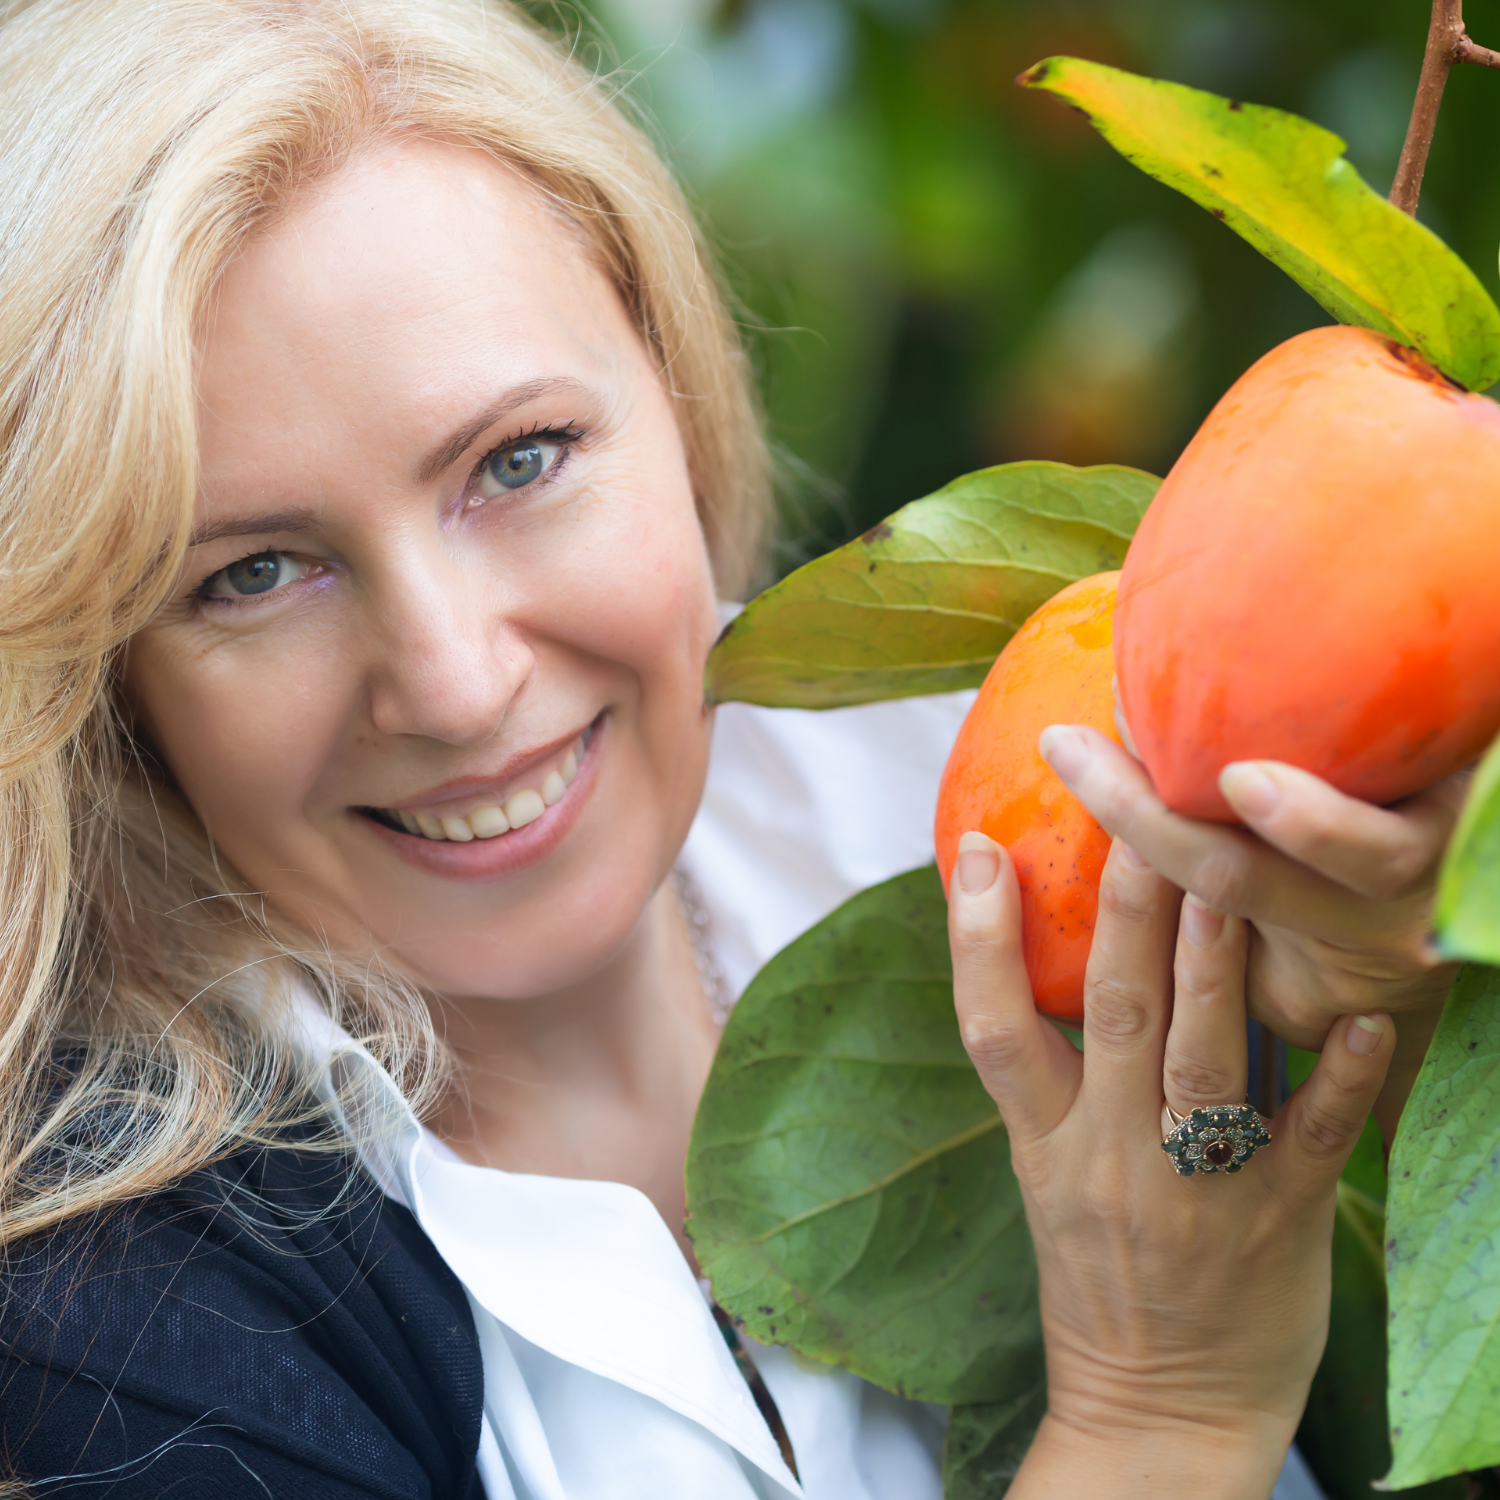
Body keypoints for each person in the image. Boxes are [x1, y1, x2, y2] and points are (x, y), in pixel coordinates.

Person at [0, 0, 1463, 1495]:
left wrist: (1407, 1037)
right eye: (251, 573)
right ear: (101, 672)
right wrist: (1163, 1413)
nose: (454, 686)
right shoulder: (111, 1325)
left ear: (682, 395)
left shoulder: (1022, 783)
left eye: (519, 461)